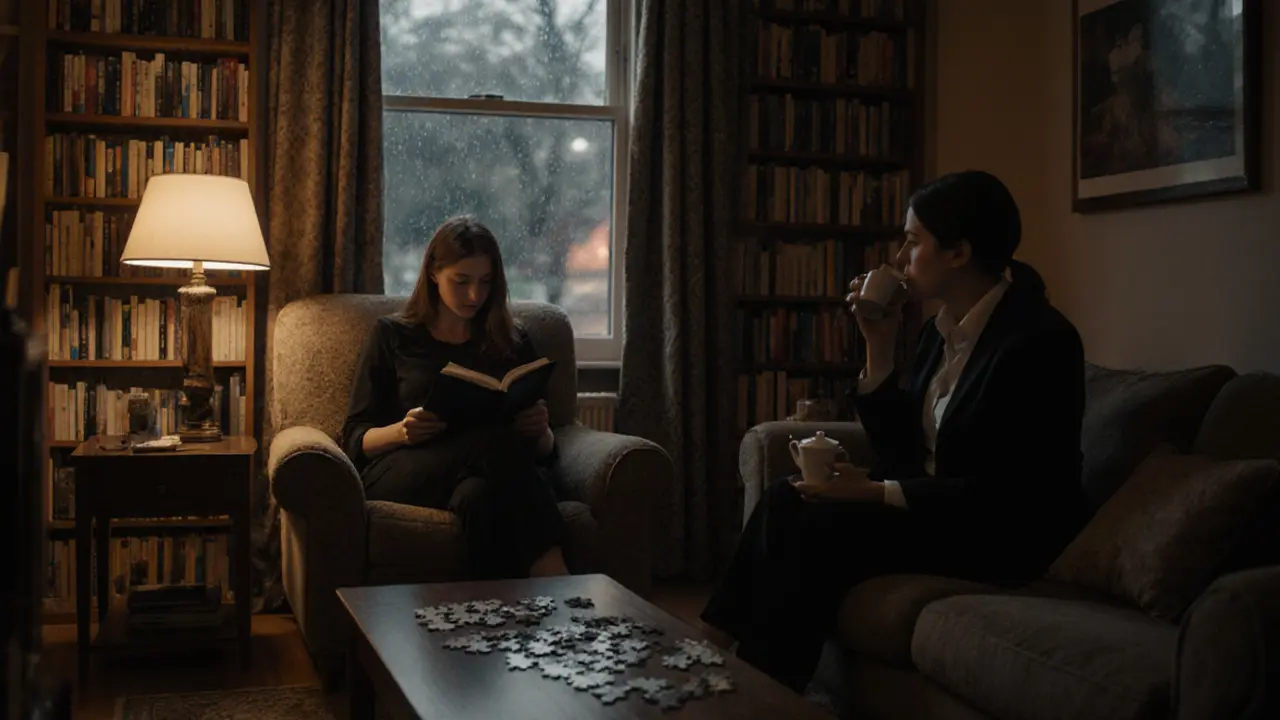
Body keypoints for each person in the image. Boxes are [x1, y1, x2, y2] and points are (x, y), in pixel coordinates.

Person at [700, 170, 1088, 692]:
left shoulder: (1039, 341)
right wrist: (878, 346)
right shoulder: (939, 330)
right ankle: (714, 654)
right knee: (787, 497)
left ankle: (758, 690)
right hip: (935, 514)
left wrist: (874, 492)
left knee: (810, 525)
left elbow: (1006, 492)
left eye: (913, 242)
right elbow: (903, 449)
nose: (902, 260)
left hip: (997, 534)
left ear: (958, 252)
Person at [339, 215, 569, 580]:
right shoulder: (392, 335)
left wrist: (541, 433)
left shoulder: (512, 339)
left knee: (479, 497)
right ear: (433, 272)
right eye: (461, 282)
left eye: (485, 283)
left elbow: (545, 448)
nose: (475, 295)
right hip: (405, 468)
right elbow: (353, 438)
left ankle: (485, 619)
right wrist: (402, 431)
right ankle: (557, 578)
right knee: (492, 443)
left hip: (492, 470)